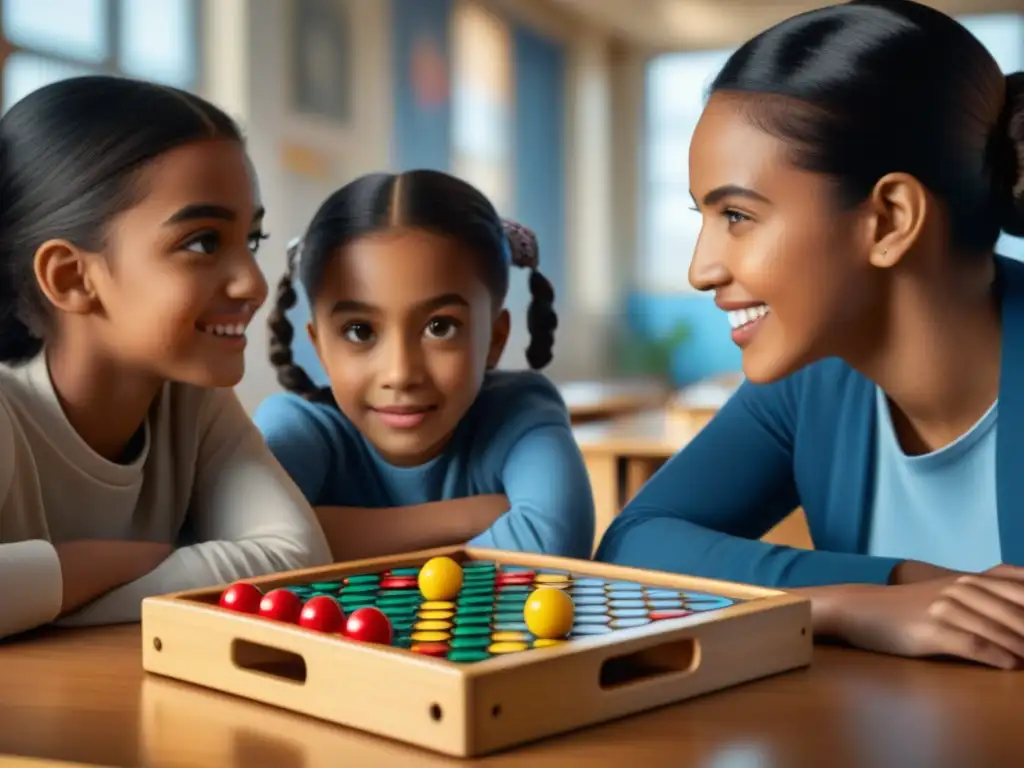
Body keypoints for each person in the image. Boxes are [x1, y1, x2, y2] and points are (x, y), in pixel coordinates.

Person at [595, 0, 1024, 670]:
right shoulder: (812, 384)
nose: (701, 268)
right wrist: (869, 597)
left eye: (736, 215)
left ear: (889, 220)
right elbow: (635, 545)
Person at [0, 76, 332, 641]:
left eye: (249, 241)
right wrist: (91, 565)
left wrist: (42, 602)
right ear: (72, 277)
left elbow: (295, 561)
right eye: (202, 242)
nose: (253, 283)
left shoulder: (193, 400)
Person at [254, 170, 595, 561]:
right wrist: (471, 516)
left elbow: (553, 542)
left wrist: (324, 534)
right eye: (360, 331)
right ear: (320, 348)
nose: (400, 373)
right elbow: (250, 544)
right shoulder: (300, 428)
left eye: (440, 327)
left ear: (495, 339)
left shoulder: (519, 413)